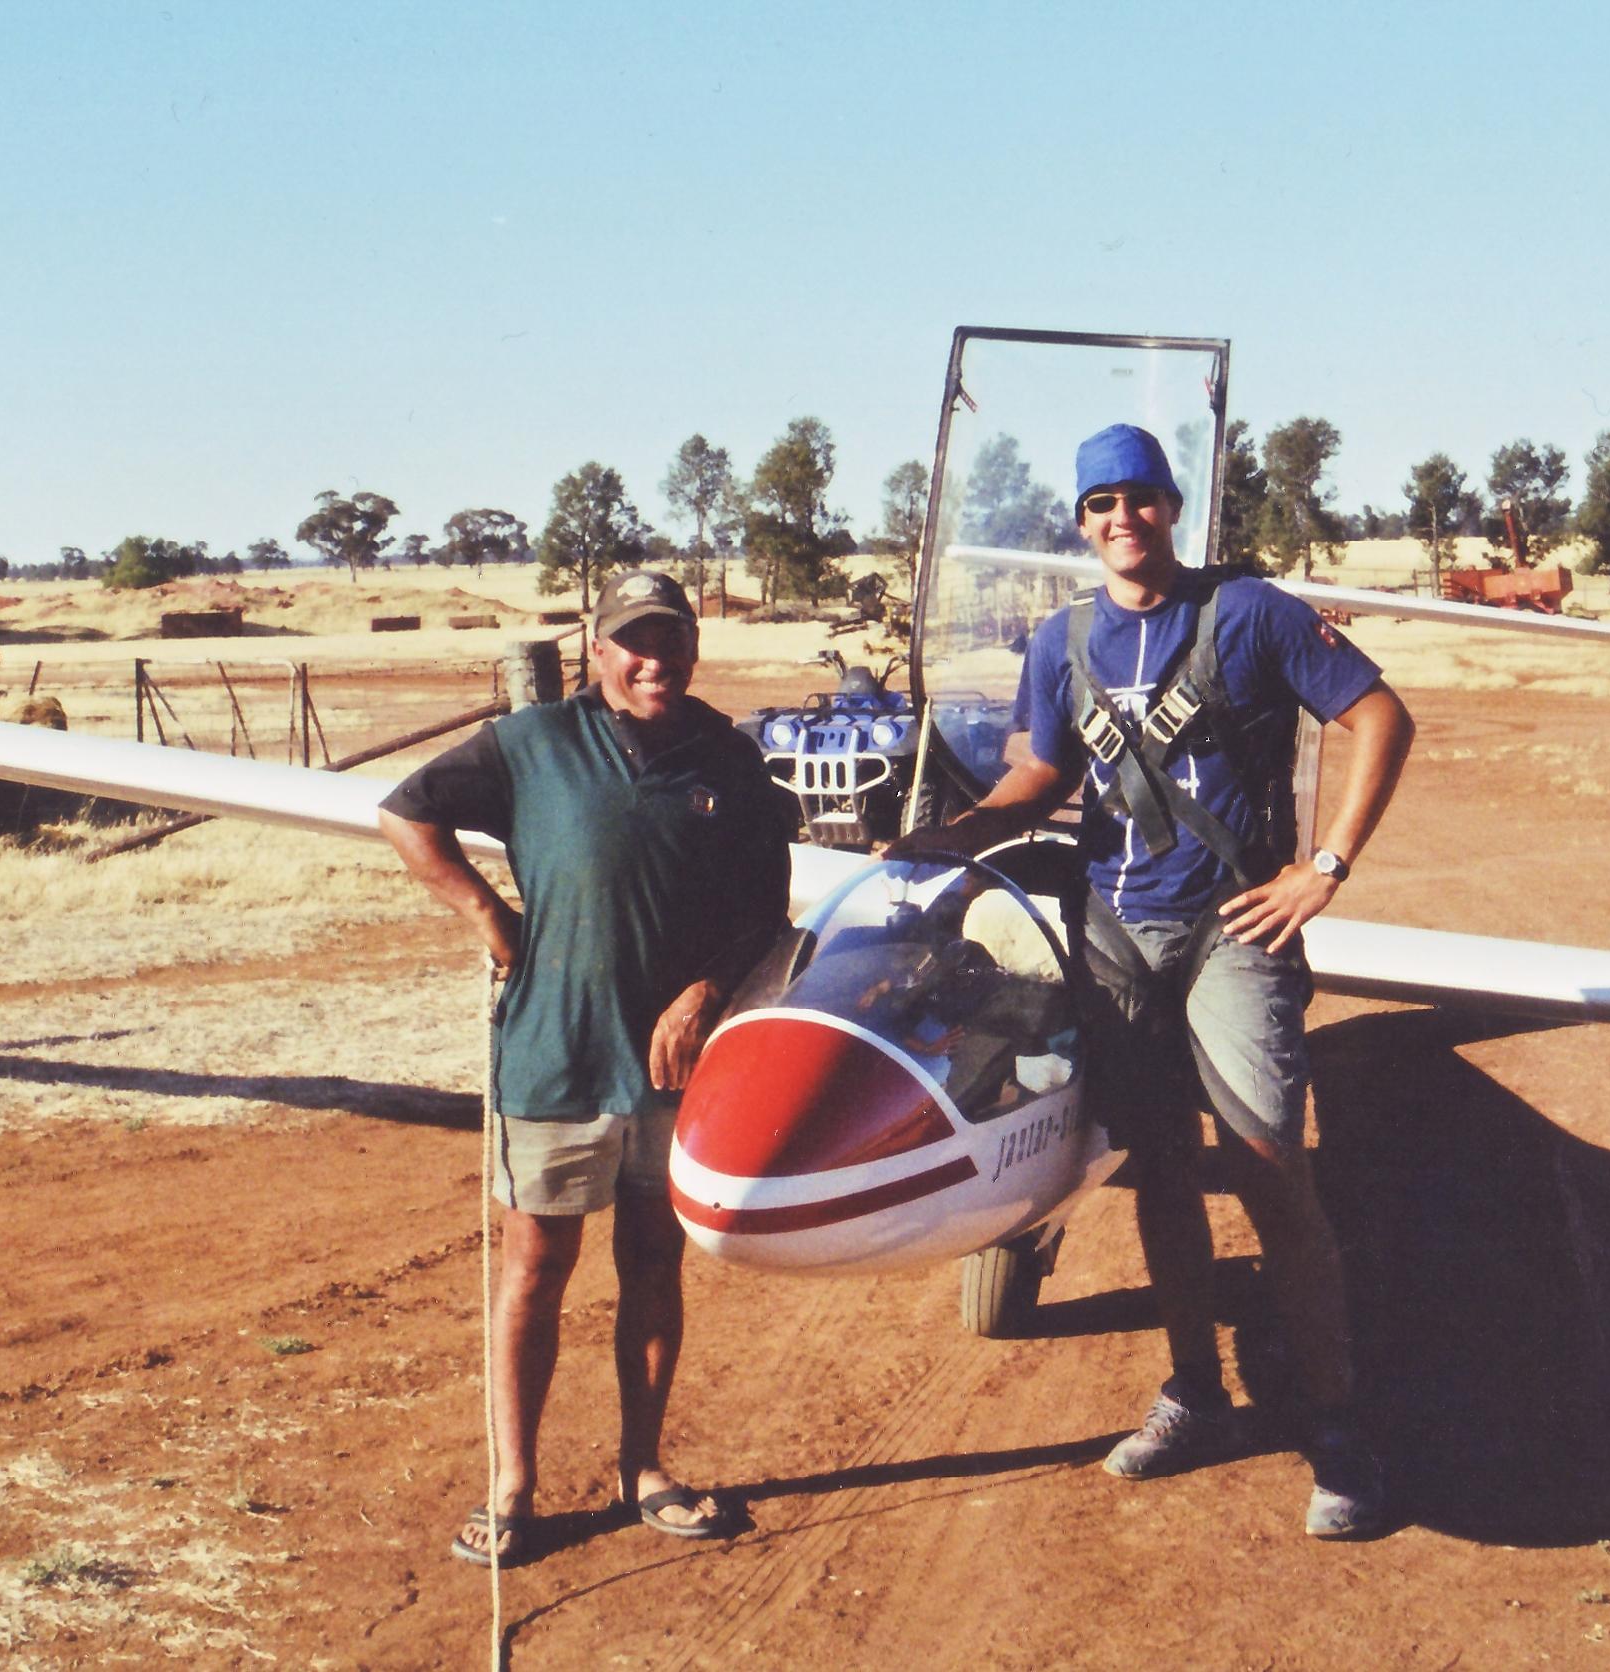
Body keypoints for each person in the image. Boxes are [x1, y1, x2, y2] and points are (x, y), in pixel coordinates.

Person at [892, 422, 1414, 1538]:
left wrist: (1323, 868)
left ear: (1172, 506)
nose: (1120, 518)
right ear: (1081, 523)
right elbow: (1043, 772)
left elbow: (1380, 715)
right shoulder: (1063, 639)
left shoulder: (1250, 613)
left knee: (1270, 1170)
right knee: (1159, 1172)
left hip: (1234, 927)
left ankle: (1336, 1426)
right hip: (1114, 935)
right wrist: (961, 832)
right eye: (1099, 504)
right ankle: (1195, 1393)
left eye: (1138, 497)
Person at [378, 569, 797, 1568]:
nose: (656, 660)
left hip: (672, 1067)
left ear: (694, 649)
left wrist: (703, 994)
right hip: (554, 1051)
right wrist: (488, 915)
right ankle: (511, 1486)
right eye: (634, 641)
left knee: (653, 1261)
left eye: (673, 639)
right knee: (536, 1267)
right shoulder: (533, 743)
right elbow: (406, 811)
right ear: (596, 649)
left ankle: (642, 1469)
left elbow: (764, 909)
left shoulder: (727, 758)